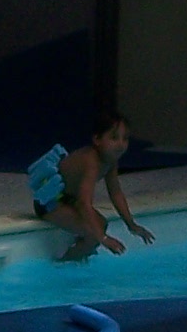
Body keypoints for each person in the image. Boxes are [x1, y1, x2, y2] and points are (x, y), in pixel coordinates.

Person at [27, 113, 158, 263]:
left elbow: (116, 193)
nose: (121, 144)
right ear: (97, 139)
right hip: (50, 203)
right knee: (94, 234)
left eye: (125, 138)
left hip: (68, 200)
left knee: (102, 225)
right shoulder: (91, 162)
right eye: (114, 138)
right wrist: (103, 238)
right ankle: (62, 266)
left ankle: (77, 258)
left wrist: (131, 225)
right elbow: (84, 203)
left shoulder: (110, 160)